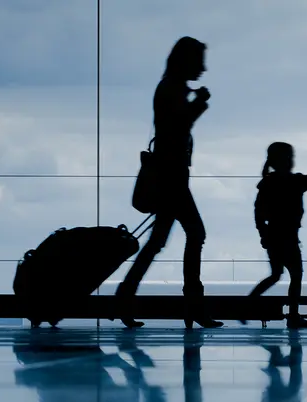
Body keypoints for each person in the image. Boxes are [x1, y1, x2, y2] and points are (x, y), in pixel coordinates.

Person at [114, 36, 223, 329]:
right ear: (186, 61)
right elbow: (179, 125)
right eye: (199, 61)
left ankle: (125, 297)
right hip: (172, 177)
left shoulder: (170, 88)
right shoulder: (172, 89)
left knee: (158, 242)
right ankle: (193, 307)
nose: (203, 68)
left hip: (169, 176)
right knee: (194, 234)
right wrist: (199, 103)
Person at [242, 142, 307, 329]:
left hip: (274, 236)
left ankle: (249, 304)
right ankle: (292, 316)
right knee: (295, 275)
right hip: (287, 238)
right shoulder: (294, 182)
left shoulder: (269, 183)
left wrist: (263, 234)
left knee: (276, 275)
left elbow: (258, 212)